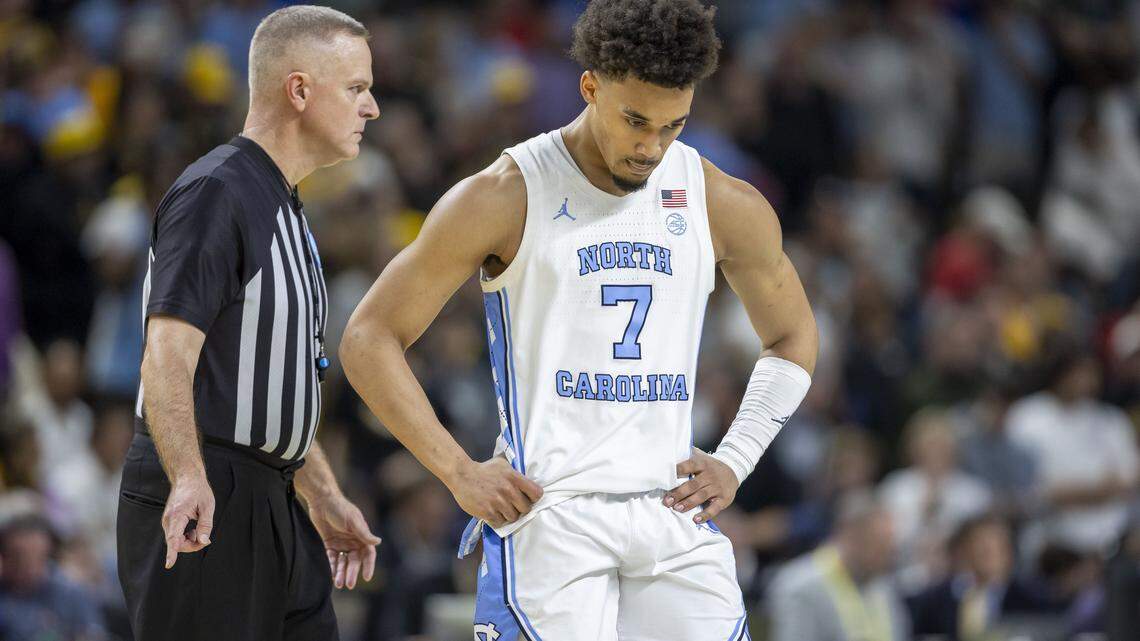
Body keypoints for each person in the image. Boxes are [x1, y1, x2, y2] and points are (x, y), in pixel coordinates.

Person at [339, 1, 819, 638]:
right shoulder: (507, 192)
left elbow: (792, 336)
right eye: (634, 121)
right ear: (590, 85)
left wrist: (737, 456)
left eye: (673, 125)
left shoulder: (719, 200)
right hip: (550, 510)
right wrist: (457, 471)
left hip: (670, 508)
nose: (651, 146)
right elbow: (369, 336)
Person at [116, 6, 381, 641]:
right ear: (299, 90)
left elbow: (268, 385)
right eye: (357, 88)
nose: (371, 108)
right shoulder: (218, 191)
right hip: (208, 487)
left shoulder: (286, 207)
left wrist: (320, 493)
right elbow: (166, 356)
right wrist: (187, 476)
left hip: (274, 497)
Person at [767, 492, 909, 641]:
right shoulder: (800, 587)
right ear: (850, 536)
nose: (888, 556)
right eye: (879, 545)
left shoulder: (883, 586)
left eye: (889, 546)